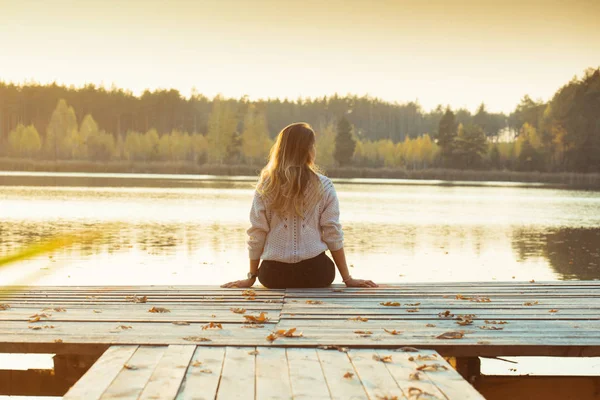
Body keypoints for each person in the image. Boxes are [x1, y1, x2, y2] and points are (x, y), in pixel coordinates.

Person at [221, 122, 377, 289]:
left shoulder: (266, 185)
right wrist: (347, 279)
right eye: (313, 146)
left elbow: (257, 233)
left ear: (281, 149)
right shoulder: (324, 185)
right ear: (308, 150)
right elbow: (332, 233)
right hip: (317, 274)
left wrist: (251, 277)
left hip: (273, 276)